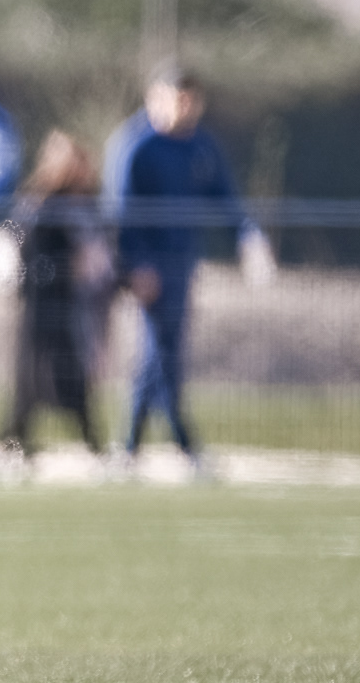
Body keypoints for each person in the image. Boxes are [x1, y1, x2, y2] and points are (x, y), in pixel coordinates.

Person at [104, 63, 270, 468]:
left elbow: (225, 198)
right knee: (157, 351)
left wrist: (249, 237)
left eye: (190, 101)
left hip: (182, 264)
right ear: (156, 98)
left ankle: (150, 445)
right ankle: (155, 444)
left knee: (165, 350)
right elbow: (119, 214)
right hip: (149, 266)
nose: (184, 109)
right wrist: (134, 265)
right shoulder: (135, 145)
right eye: (177, 100)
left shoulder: (200, 146)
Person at [0, 131, 112, 455]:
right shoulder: (37, 203)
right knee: (31, 373)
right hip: (40, 302)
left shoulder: (87, 206)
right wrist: (64, 266)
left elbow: (101, 248)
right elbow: (19, 242)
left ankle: (91, 440)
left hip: (73, 304)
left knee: (72, 372)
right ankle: (14, 436)